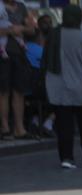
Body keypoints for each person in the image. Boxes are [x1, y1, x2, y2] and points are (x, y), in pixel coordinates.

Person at [42, 5, 82, 169]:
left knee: (63, 125)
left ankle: (66, 158)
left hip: (57, 87)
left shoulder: (53, 35)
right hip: (80, 85)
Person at [0, 0, 34, 140]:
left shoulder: (21, 6)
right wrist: (9, 30)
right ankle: (5, 127)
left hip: (19, 53)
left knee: (19, 92)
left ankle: (20, 129)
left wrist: (21, 29)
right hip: (3, 54)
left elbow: (31, 29)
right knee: (3, 92)